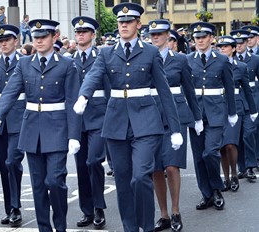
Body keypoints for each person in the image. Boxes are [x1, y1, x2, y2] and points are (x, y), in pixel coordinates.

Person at [73, 3, 183, 232]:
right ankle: (130, 227)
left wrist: (175, 129)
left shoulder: (150, 52)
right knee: (123, 181)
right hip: (116, 122)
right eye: (121, 22)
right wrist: (84, 95)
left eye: (129, 21)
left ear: (137, 24)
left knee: (141, 176)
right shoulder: (106, 52)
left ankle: (146, 226)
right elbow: (94, 75)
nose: (123, 25)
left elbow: (164, 91)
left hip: (146, 122)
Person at [0, 19, 81, 232]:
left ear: (54, 37)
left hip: (57, 130)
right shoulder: (24, 63)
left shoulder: (66, 64)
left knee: (55, 181)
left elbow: (71, 101)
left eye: (43, 37)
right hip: (31, 130)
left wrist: (74, 135)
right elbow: (11, 92)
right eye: (36, 37)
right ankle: (43, 229)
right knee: (38, 185)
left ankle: (60, 226)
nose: (39, 41)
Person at [149, 19, 202, 232]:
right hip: (151, 115)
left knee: (172, 166)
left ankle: (176, 210)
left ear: (169, 37)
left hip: (176, 116)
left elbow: (189, 90)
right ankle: (163, 215)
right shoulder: (143, 58)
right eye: (152, 34)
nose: (155, 37)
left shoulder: (180, 60)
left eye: (160, 34)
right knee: (156, 168)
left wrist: (197, 117)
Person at [186, 22, 237, 211]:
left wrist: (232, 112)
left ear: (211, 38)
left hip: (216, 112)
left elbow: (230, 88)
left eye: (203, 37)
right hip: (195, 113)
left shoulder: (222, 60)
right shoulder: (188, 59)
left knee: (210, 153)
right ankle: (206, 194)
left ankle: (216, 189)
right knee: (199, 157)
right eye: (197, 37)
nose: (199, 40)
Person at [71, 16, 109, 229]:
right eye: (78, 32)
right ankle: (87, 210)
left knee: (94, 161)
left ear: (93, 35)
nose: (80, 35)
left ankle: (99, 207)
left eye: (84, 32)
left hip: (99, 117)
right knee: (81, 166)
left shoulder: (101, 56)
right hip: (78, 121)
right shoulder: (68, 60)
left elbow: (109, 89)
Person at [0, 24, 25, 227]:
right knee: (3, 166)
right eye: (0, 41)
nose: (3, 44)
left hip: (19, 117)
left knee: (12, 161)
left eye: (7, 40)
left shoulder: (25, 61)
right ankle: (9, 208)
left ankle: (16, 207)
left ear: (15, 41)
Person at [217, 35, 258, 192]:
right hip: (219, 107)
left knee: (230, 143)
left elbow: (247, 90)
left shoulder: (241, 67)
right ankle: (226, 178)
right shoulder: (215, 64)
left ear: (233, 49)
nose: (222, 49)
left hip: (236, 107)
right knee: (221, 146)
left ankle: (234, 173)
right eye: (220, 46)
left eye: (226, 46)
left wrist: (253, 111)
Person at [230, 29, 259, 180]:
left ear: (247, 43)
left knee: (248, 133)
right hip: (235, 102)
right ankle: (241, 167)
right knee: (238, 136)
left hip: (251, 100)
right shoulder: (228, 62)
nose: (239, 45)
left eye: (242, 43)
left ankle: (250, 166)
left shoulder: (255, 59)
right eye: (237, 43)